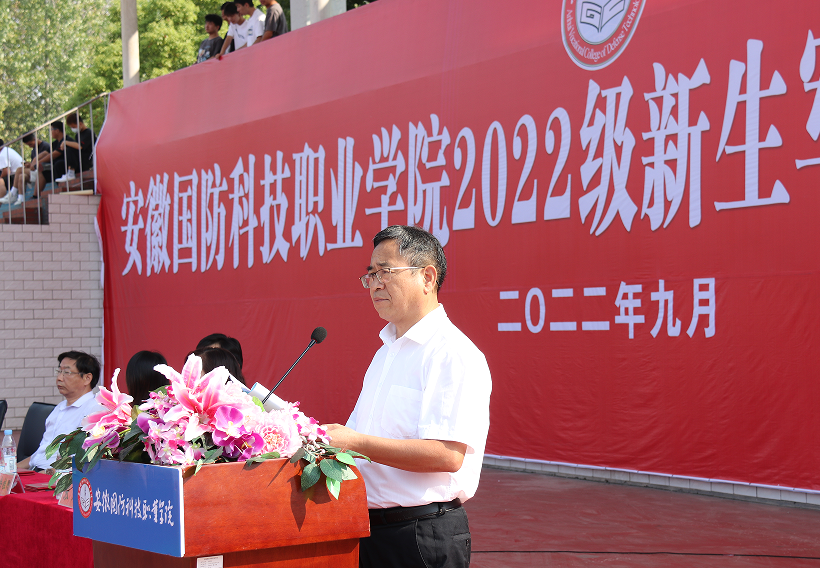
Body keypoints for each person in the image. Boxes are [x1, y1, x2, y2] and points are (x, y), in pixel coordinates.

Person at [324, 225, 492, 568]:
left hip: (420, 536)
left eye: (385, 271)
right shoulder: (386, 352)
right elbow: (359, 439)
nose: (375, 284)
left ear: (427, 277)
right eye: (370, 274)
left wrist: (354, 442)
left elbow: (447, 455)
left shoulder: (451, 353)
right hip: (369, 530)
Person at [17, 351, 105, 472]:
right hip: (37, 471)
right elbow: (39, 455)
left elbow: (84, 460)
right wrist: (10, 469)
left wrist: (47, 473)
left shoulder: (94, 410)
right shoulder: (59, 408)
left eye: (67, 372)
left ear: (87, 378)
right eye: (59, 371)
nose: (59, 378)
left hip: (58, 478)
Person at [11, 133, 51, 198]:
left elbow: (46, 159)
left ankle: (13, 193)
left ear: (34, 139)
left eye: (30, 144)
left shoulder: (45, 146)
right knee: (21, 176)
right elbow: (33, 165)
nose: (30, 146)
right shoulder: (33, 151)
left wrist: (35, 163)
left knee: (19, 170)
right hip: (34, 171)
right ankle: (20, 198)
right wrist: (29, 165)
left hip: (42, 171)